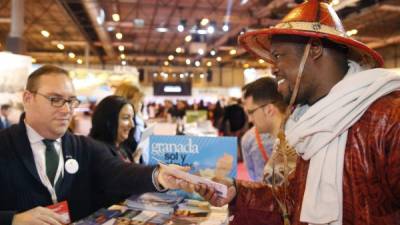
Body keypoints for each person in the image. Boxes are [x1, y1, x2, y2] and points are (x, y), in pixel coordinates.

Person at [191, 1, 400, 224]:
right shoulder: (311, 124)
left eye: (279, 56)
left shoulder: (388, 120)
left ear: (315, 49)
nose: (273, 68)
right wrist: (236, 191)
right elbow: (293, 203)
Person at [0, 65, 190, 225]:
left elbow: (119, 171)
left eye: (71, 101)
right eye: (55, 100)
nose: (66, 110)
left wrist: (159, 175)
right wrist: (13, 219)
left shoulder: (84, 148)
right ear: (28, 99)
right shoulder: (5, 145)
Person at [240, 77, 287, 181]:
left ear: (269, 110)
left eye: (251, 112)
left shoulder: (296, 143)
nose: (249, 119)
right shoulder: (295, 136)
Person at [89, 95, 136, 163]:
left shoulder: (123, 148)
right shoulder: (100, 153)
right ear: (108, 121)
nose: (132, 125)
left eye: (132, 118)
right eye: (126, 118)